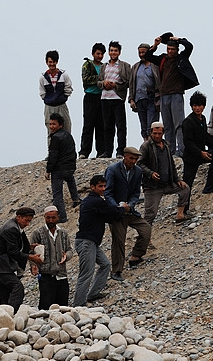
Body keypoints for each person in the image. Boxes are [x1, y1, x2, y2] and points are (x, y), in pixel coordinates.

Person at [144, 33, 199, 157]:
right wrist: (155, 45)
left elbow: (189, 46)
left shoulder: (181, 58)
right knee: (167, 125)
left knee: (179, 125)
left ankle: (182, 151)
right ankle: (170, 151)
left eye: (172, 49)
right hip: (164, 95)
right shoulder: (163, 59)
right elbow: (148, 56)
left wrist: (178, 39)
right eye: (168, 49)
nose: (170, 51)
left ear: (177, 50)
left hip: (176, 94)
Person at [73, 175, 123, 306]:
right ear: (92, 187)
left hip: (91, 242)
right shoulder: (96, 201)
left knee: (105, 264)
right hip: (86, 242)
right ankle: (78, 305)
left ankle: (93, 294)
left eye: (104, 186)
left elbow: (107, 216)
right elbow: (114, 213)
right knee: (86, 274)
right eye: (100, 186)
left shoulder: (92, 201)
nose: (103, 189)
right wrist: (124, 208)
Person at [103, 146, 151, 282]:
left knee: (146, 229)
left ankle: (136, 255)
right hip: (116, 212)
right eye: (131, 158)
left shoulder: (138, 171)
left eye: (136, 159)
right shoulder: (112, 170)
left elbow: (136, 192)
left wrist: (130, 205)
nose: (133, 161)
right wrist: (118, 206)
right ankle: (116, 270)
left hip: (129, 211)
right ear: (124, 156)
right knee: (119, 241)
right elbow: (108, 192)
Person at [0, 207, 44, 313]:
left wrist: (30, 247)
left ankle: (2, 318)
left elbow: (19, 244)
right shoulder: (11, 228)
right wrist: (31, 257)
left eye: (29, 221)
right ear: (19, 217)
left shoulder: (16, 226)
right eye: (26, 220)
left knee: (6, 294)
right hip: (0, 268)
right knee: (17, 288)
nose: (28, 224)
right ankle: (11, 314)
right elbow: (12, 251)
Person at [138, 122, 190, 224]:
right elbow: (139, 163)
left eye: (159, 133)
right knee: (150, 214)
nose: (157, 136)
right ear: (151, 133)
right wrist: (150, 173)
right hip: (152, 187)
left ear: (163, 133)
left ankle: (180, 215)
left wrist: (177, 180)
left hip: (167, 183)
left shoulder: (166, 145)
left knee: (185, 189)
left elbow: (171, 164)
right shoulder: (146, 146)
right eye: (155, 133)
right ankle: (144, 237)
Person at [28, 206, 73, 310]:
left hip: (61, 275)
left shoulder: (63, 233)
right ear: (44, 217)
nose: (51, 220)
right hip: (46, 276)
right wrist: (33, 266)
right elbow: (31, 252)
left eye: (53, 218)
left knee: (63, 307)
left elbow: (70, 250)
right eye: (48, 218)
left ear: (58, 217)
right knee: (46, 306)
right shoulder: (37, 233)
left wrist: (66, 257)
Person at [98, 41, 131, 158]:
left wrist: (115, 85)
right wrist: (104, 83)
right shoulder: (104, 66)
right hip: (105, 98)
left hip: (117, 98)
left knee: (120, 126)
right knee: (107, 126)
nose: (113, 53)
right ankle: (108, 151)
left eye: (115, 50)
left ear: (119, 52)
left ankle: (121, 151)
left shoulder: (125, 66)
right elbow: (98, 82)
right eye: (111, 50)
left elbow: (128, 82)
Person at [46, 113, 80, 223]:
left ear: (60, 125)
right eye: (50, 124)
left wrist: (48, 170)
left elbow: (53, 156)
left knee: (57, 195)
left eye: (54, 124)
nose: (51, 126)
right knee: (70, 180)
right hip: (69, 167)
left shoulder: (55, 138)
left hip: (59, 169)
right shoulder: (68, 135)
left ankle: (62, 217)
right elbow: (73, 152)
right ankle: (76, 199)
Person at [79, 43, 107, 158]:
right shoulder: (87, 65)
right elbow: (86, 79)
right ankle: (84, 152)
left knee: (101, 126)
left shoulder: (105, 66)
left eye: (101, 54)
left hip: (102, 97)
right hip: (90, 97)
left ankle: (101, 151)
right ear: (93, 54)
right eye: (98, 53)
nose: (100, 56)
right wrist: (100, 80)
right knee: (88, 125)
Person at [129, 43, 161, 141]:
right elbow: (131, 84)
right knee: (143, 125)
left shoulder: (154, 65)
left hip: (152, 98)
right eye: (140, 52)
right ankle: (146, 145)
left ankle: (152, 145)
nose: (141, 54)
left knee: (151, 124)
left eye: (144, 52)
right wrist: (131, 99)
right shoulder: (135, 67)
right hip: (139, 98)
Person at [39, 50, 73, 141]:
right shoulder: (43, 77)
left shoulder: (63, 75)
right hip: (49, 106)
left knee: (66, 127)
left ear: (57, 62)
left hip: (61, 105)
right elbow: (42, 92)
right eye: (50, 62)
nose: (52, 64)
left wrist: (63, 98)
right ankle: (51, 152)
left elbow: (68, 88)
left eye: (54, 62)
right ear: (46, 62)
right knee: (51, 130)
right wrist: (48, 100)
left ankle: (67, 152)